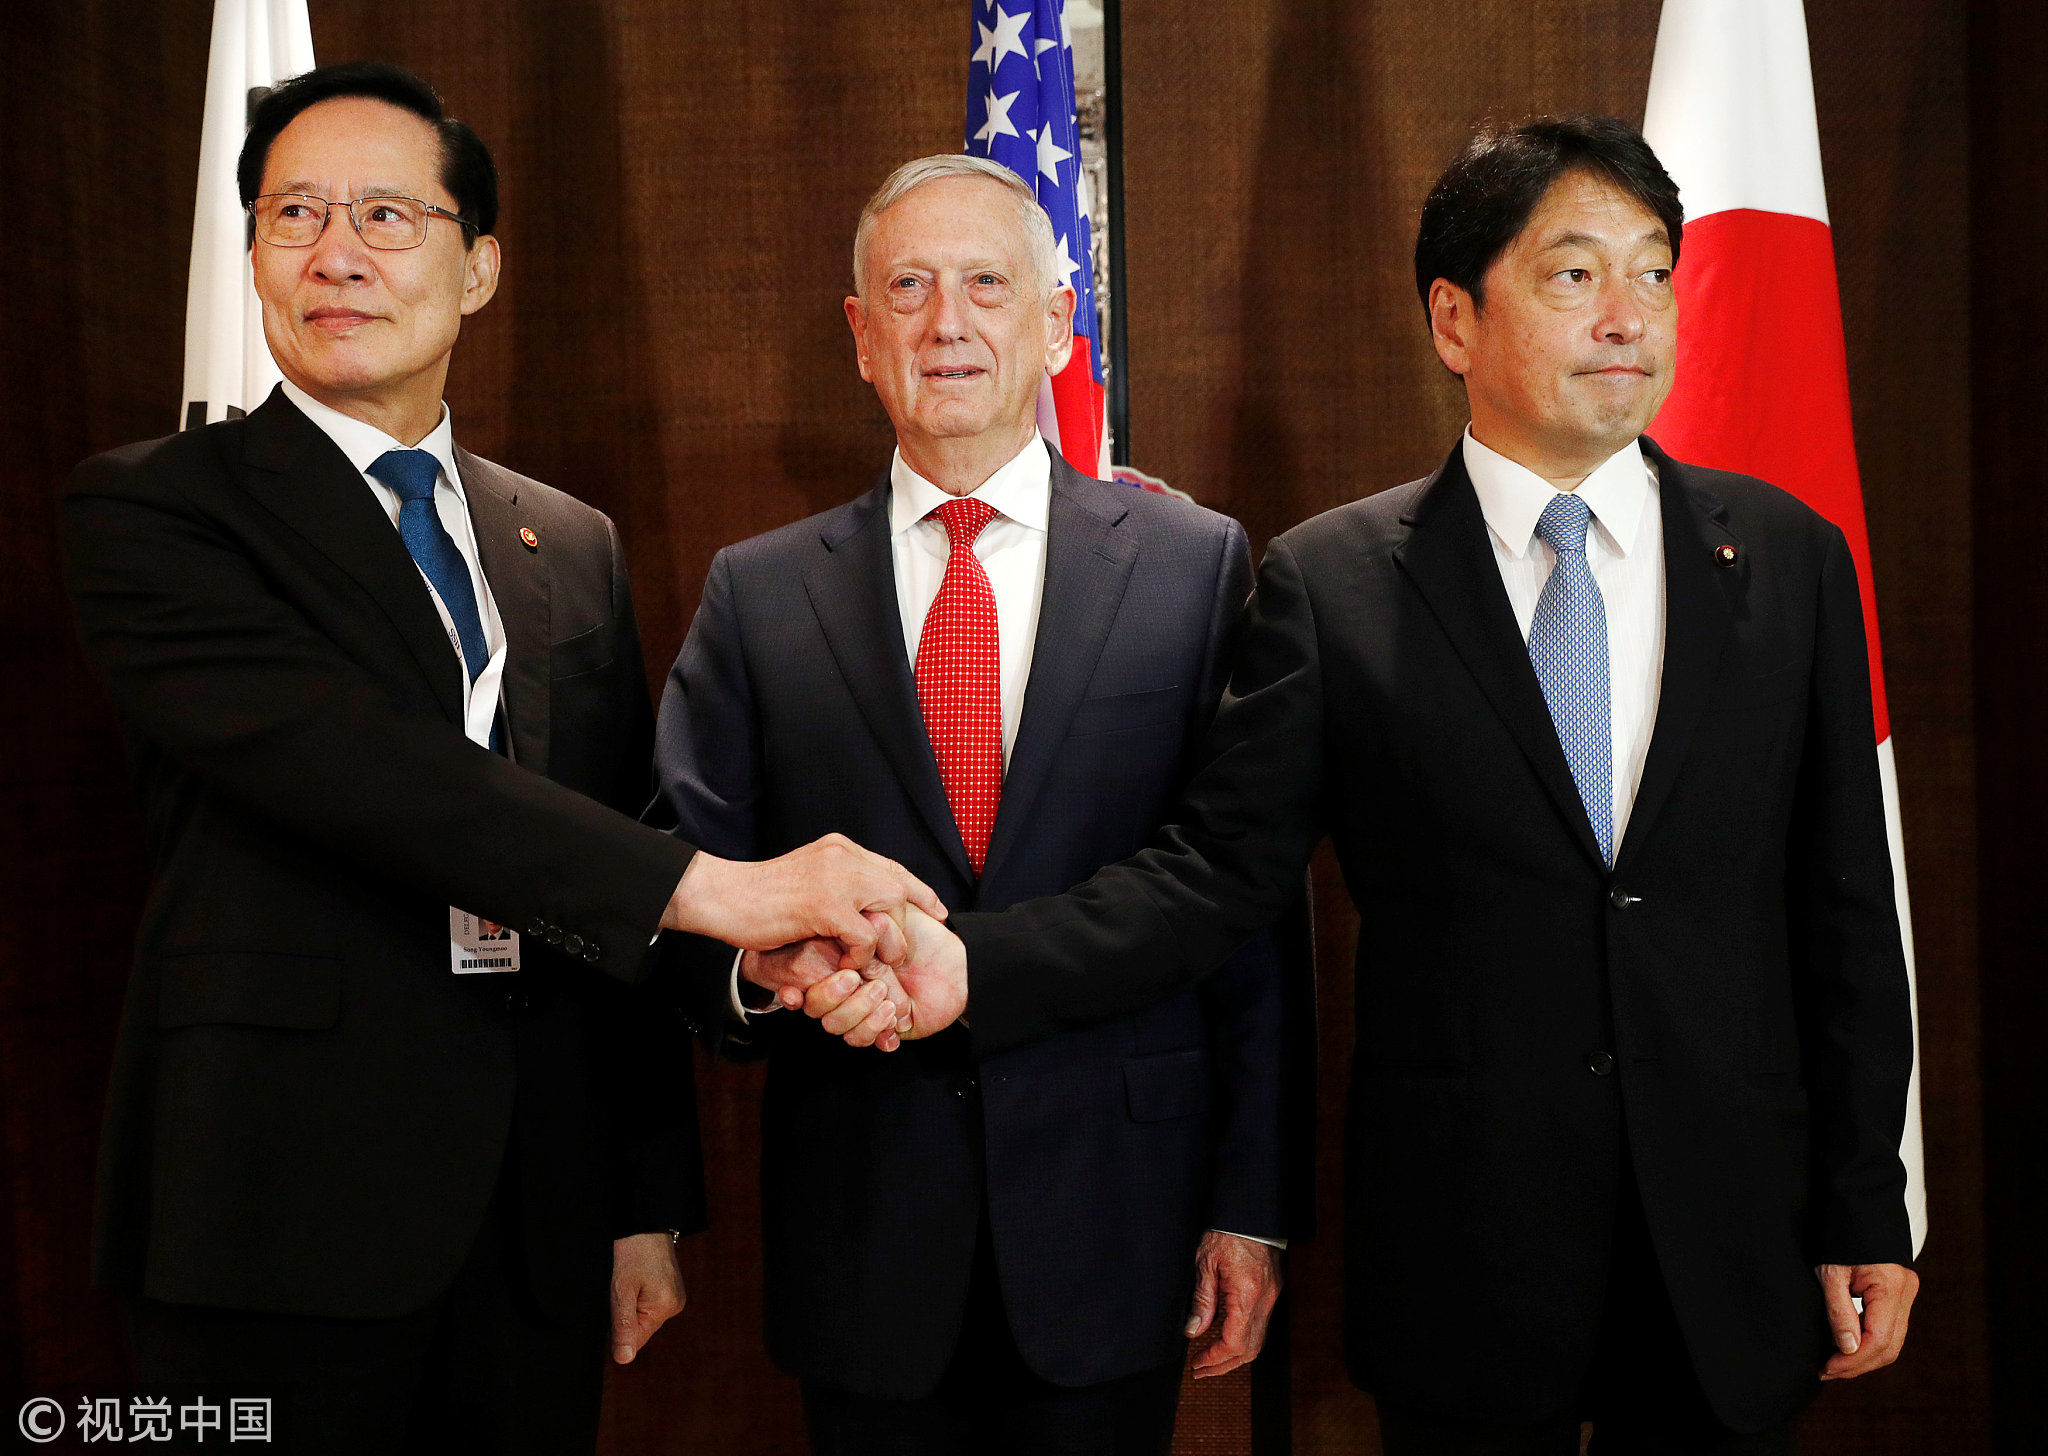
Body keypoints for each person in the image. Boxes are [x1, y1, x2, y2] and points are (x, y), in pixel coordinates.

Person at [808, 118, 1920, 1454]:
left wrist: (1868, 1200)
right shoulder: (1334, 584)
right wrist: (978, 966)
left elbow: (1847, 914)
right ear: (1455, 319)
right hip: (1471, 1253)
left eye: (1653, 274)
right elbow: (1215, 879)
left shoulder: (1789, 559)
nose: (1627, 316)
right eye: (1574, 275)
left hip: (1736, 1236)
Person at [61, 62, 937, 1456]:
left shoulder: (567, 541)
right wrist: (729, 890)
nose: (336, 253)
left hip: (536, 1213)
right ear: (255, 256)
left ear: (477, 269)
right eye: (295, 215)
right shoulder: (155, 512)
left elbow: (611, 834)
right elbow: (366, 769)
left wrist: (646, 1186)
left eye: (386, 215)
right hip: (275, 1206)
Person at [653, 154, 1299, 1456]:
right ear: (861, 336)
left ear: (1057, 323)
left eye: (988, 285)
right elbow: (676, 879)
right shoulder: (759, 594)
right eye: (909, 288)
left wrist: (1251, 1206)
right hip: (864, 1231)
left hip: (1118, 1221)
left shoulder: (1193, 568)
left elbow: (1245, 905)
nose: (947, 322)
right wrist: (762, 975)